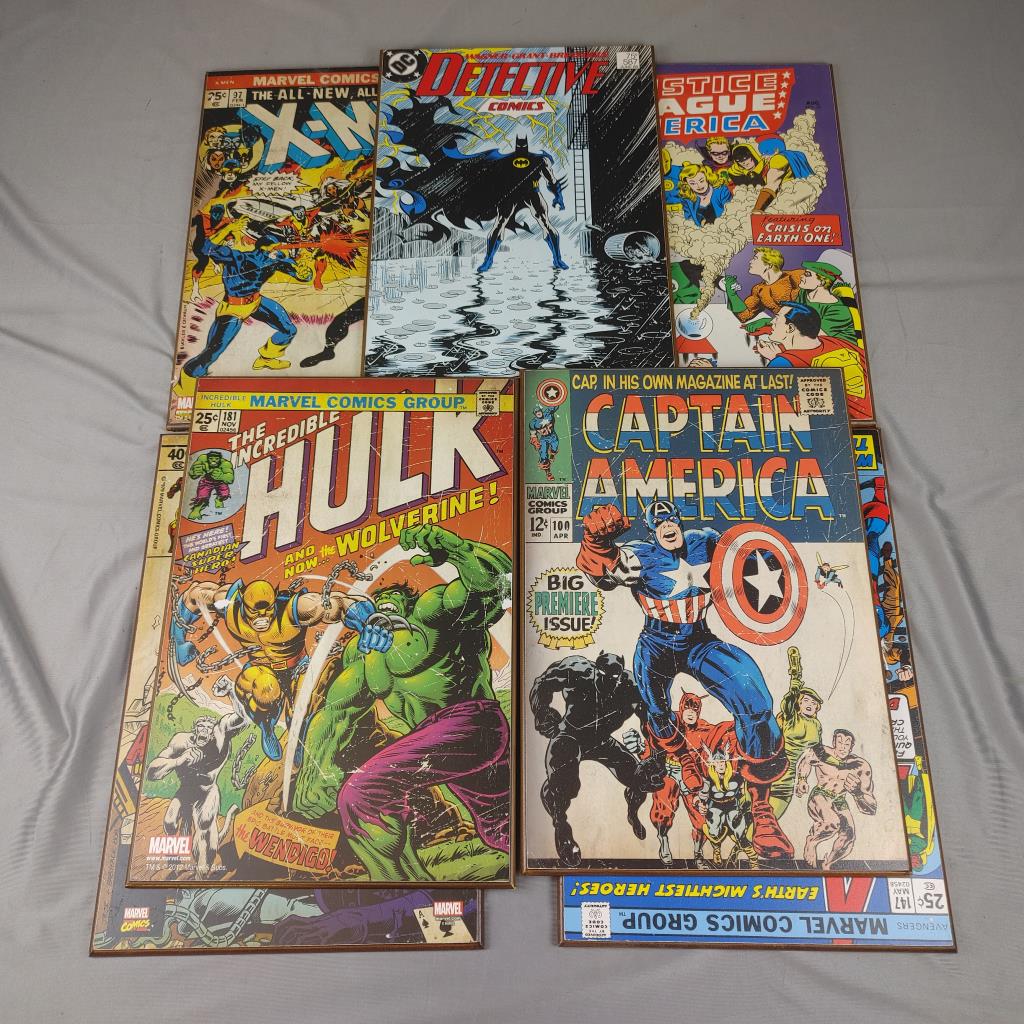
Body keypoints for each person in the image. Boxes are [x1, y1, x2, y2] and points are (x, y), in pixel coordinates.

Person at [576, 499, 793, 859]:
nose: (666, 525)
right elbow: (606, 573)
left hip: (699, 641)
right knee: (655, 709)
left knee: (755, 699)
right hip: (656, 644)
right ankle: (684, 758)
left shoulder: (706, 542)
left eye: (670, 518)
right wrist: (595, 542)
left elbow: (750, 558)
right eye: (658, 522)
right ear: (652, 529)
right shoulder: (641, 555)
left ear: (678, 519)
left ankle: (761, 808)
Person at [795, 728, 877, 868]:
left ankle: (827, 864)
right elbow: (806, 761)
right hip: (820, 795)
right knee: (832, 822)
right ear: (833, 742)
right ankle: (812, 841)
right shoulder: (822, 752)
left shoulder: (861, 766)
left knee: (849, 836)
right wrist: (802, 780)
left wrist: (857, 793)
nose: (842, 747)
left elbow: (871, 807)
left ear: (851, 747)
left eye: (846, 744)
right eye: (839, 742)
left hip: (839, 799)